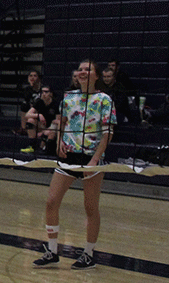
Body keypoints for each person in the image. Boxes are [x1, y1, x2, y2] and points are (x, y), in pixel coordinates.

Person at [33, 60, 115, 270]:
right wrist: (59, 142)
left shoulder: (104, 99)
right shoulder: (69, 98)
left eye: (88, 69)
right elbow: (62, 123)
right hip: (68, 157)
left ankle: (88, 254)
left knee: (90, 207)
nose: (82, 72)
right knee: (51, 201)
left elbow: (108, 134)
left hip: (90, 158)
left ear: (96, 75)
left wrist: (96, 158)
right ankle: (52, 251)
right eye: (80, 69)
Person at [20, 85, 58, 153]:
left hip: (52, 128)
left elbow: (58, 121)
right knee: (30, 120)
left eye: (46, 92)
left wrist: (46, 131)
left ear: (51, 94)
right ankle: (32, 146)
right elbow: (27, 115)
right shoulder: (39, 102)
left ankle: (45, 147)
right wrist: (38, 115)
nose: (43, 94)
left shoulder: (56, 104)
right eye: (42, 92)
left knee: (54, 126)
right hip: (42, 126)